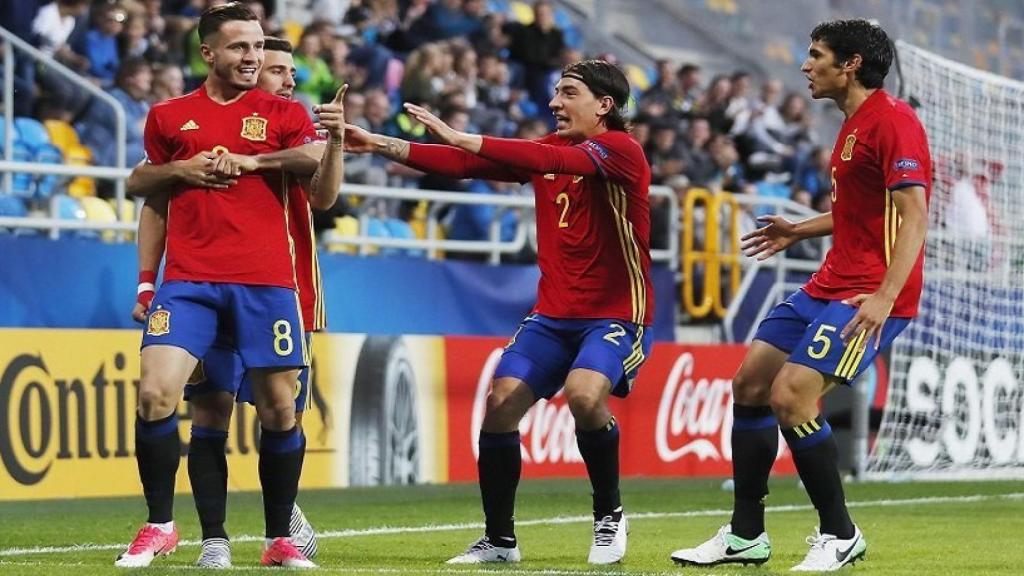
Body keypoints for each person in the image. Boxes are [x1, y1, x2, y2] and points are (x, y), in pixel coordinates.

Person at [344, 59, 653, 565]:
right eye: (555, 92)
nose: (555, 102)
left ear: (604, 105)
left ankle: (608, 514)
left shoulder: (622, 151)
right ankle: (500, 541)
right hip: (552, 315)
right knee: (502, 401)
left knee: (583, 393)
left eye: (568, 93)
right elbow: (463, 166)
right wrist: (379, 143)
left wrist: (464, 135)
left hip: (615, 314)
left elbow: (528, 156)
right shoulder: (548, 152)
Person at [670, 19, 930, 572]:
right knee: (750, 384)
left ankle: (840, 534)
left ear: (851, 62)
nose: (805, 65)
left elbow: (914, 216)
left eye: (816, 55)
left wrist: (885, 296)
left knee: (792, 394)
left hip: (871, 295)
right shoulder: (852, 125)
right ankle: (745, 536)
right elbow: (858, 212)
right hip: (828, 283)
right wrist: (799, 230)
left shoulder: (895, 121)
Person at [114, 4, 342, 569]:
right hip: (188, 282)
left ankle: (278, 537)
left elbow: (315, 159)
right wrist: (182, 171)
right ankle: (161, 525)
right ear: (208, 52)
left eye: (258, 46)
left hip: (265, 284)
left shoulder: (279, 111)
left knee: (278, 409)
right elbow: (141, 184)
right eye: (240, 47)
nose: (253, 57)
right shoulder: (170, 115)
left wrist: (248, 159)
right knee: (155, 393)